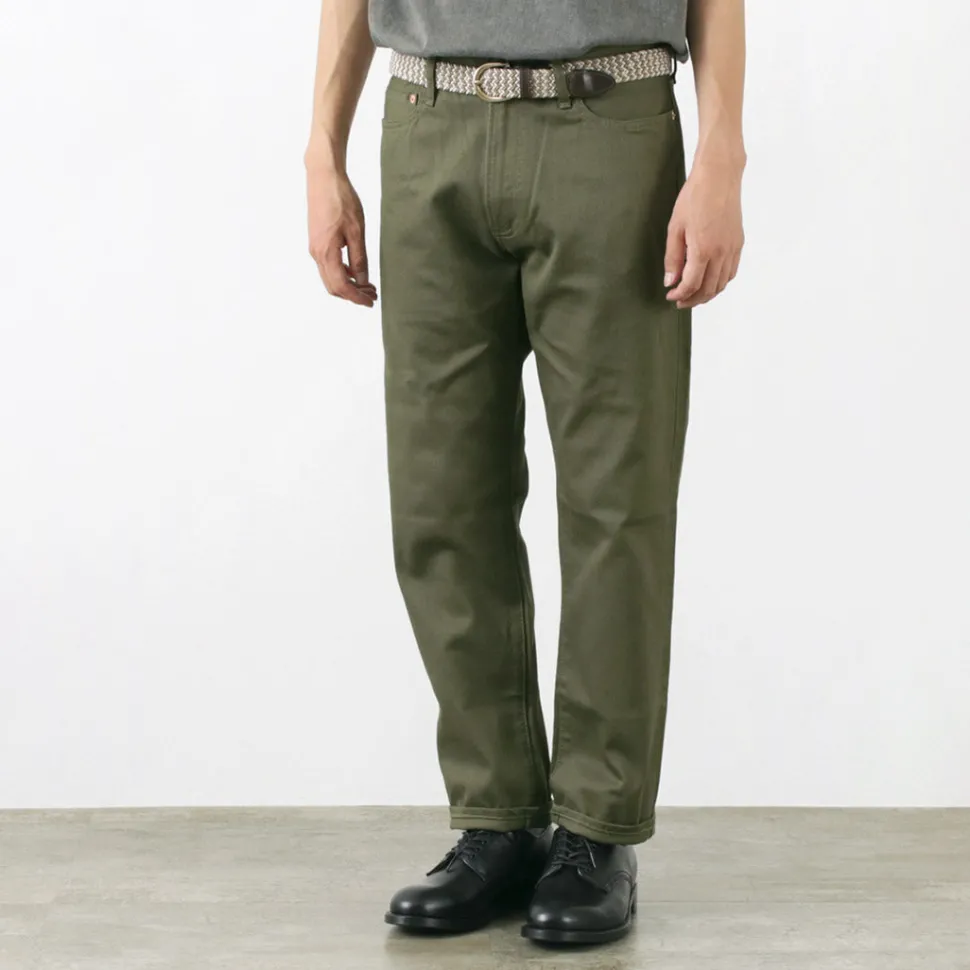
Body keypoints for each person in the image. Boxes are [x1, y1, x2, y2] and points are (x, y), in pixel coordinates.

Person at [305, 0, 746, 947]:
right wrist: (321, 149)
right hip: (428, 125)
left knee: (617, 503)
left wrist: (722, 157)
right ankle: (497, 818)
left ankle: (597, 830)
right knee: (440, 498)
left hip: (613, 127)